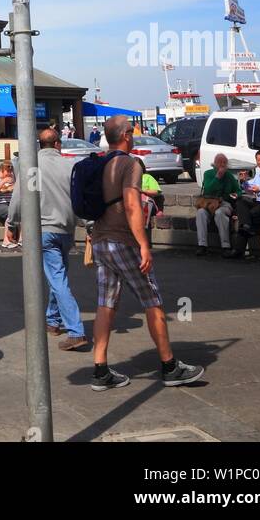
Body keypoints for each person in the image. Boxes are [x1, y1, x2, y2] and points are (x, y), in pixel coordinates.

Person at [91, 115, 204, 391]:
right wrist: (143, 245)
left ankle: (100, 369)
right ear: (127, 135)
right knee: (152, 300)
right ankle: (169, 366)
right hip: (123, 241)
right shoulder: (130, 164)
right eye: (132, 131)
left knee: (106, 303)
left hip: (101, 241)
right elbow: (132, 206)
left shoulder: (100, 163)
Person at [38, 127, 89, 351]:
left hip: (44, 228)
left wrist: (12, 221)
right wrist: (89, 225)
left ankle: (76, 331)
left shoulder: (31, 165)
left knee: (58, 279)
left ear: (40, 145)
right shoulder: (71, 166)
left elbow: (21, 196)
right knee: (58, 275)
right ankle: (52, 320)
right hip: (66, 230)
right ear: (58, 144)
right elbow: (80, 197)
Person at [230, 151, 260, 260]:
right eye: (259, 160)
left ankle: (239, 250)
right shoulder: (259, 174)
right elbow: (250, 189)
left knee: (251, 215)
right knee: (241, 201)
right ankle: (247, 230)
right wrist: (244, 181)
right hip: (259, 202)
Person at [195, 154, 240, 256]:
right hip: (209, 202)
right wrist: (217, 177)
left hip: (224, 203)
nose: (222, 164)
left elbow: (238, 190)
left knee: (220, 213)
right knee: (201, 213)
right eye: (219, 162)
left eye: (224, 162)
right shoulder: (208, 174)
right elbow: (208, 189)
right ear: (214, 163)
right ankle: (202, 245)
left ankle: (225, 246)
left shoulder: (229, 176)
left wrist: (236, 194)